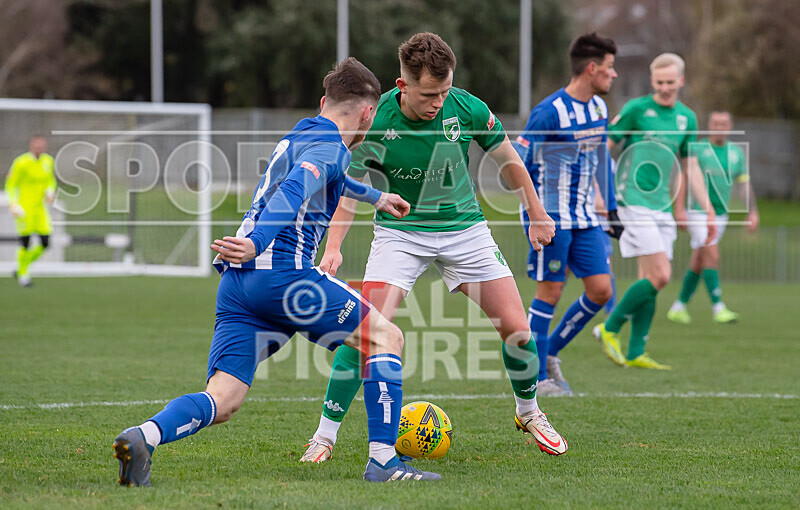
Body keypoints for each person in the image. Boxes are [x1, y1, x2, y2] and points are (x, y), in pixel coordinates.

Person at [112, 58, 443, 486]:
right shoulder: (328, 149)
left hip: (239, 284)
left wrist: (376, 196)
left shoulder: (302, 134)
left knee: (224, 399)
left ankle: (143, 437)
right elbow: (294, 192)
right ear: (366, 113)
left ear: (325, 102)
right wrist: (258, 241)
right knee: (386, 336)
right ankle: (384, 462)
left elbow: (332, 177)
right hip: (282, 275)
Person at [301, 32, 565, 465]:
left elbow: (509, 161)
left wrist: (536, 212)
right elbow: (349, 191)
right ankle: (324, 436)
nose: (438, 102)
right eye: (429, 94)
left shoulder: (466, 107)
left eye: (444, 91)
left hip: (465, 230)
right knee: (367, 331)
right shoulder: (377, 117)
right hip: (399, 235)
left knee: (518, 331)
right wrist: (333, 248)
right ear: (403, 86)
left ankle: (529, 413)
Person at [513, 33, 622, 396]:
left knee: (601, 289)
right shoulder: (549, 112)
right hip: (552, 219)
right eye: (609, 68)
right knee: (550, 291)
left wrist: (613, 205)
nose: (614, 75)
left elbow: (601, 159)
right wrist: (533, 213)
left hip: (587, 218)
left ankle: (551, 352)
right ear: (592, 69)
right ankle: (537, 377)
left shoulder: (599, 110)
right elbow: (516, 164)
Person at [593, 53, 717, 370]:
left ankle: (635, 352)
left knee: (651, 279)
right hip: (632, 200)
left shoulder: (687, 118)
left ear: (681, 81)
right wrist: (599, 191)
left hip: (662, 205)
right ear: (652, 82)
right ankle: (609, 328)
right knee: (660, 275)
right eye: (659, 82)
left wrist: (707, 208)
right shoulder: (637, 109)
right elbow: (603, 147)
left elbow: (690, 166)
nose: (664, 88)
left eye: (670, 82)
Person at [667, 110, 758, 324]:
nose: (719, 127)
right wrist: (678, 209)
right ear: (709, 125)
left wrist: (752, 211)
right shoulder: (697, 149)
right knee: (712, 254)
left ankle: (678, 306)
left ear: (730, 125)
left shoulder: (736, 152)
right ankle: (719, 307)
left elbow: (743, 184)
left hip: (721, 214)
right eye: (715, 123)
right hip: (698, 212)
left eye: (723, 123)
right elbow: (682, 179)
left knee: (699, 261)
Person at [5, 136, 56, 288]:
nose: (40, 148)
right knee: (25, 243)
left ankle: (20, 267)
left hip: (40, 209)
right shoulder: (21, 162)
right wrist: (13, 204)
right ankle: (24, 275)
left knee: (45, 242)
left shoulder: (48, 161)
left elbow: (50, 180)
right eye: (37, 146)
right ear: (31, 146)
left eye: (43, 146)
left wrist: (50, 191)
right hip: (24, 209)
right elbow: (11, 184)